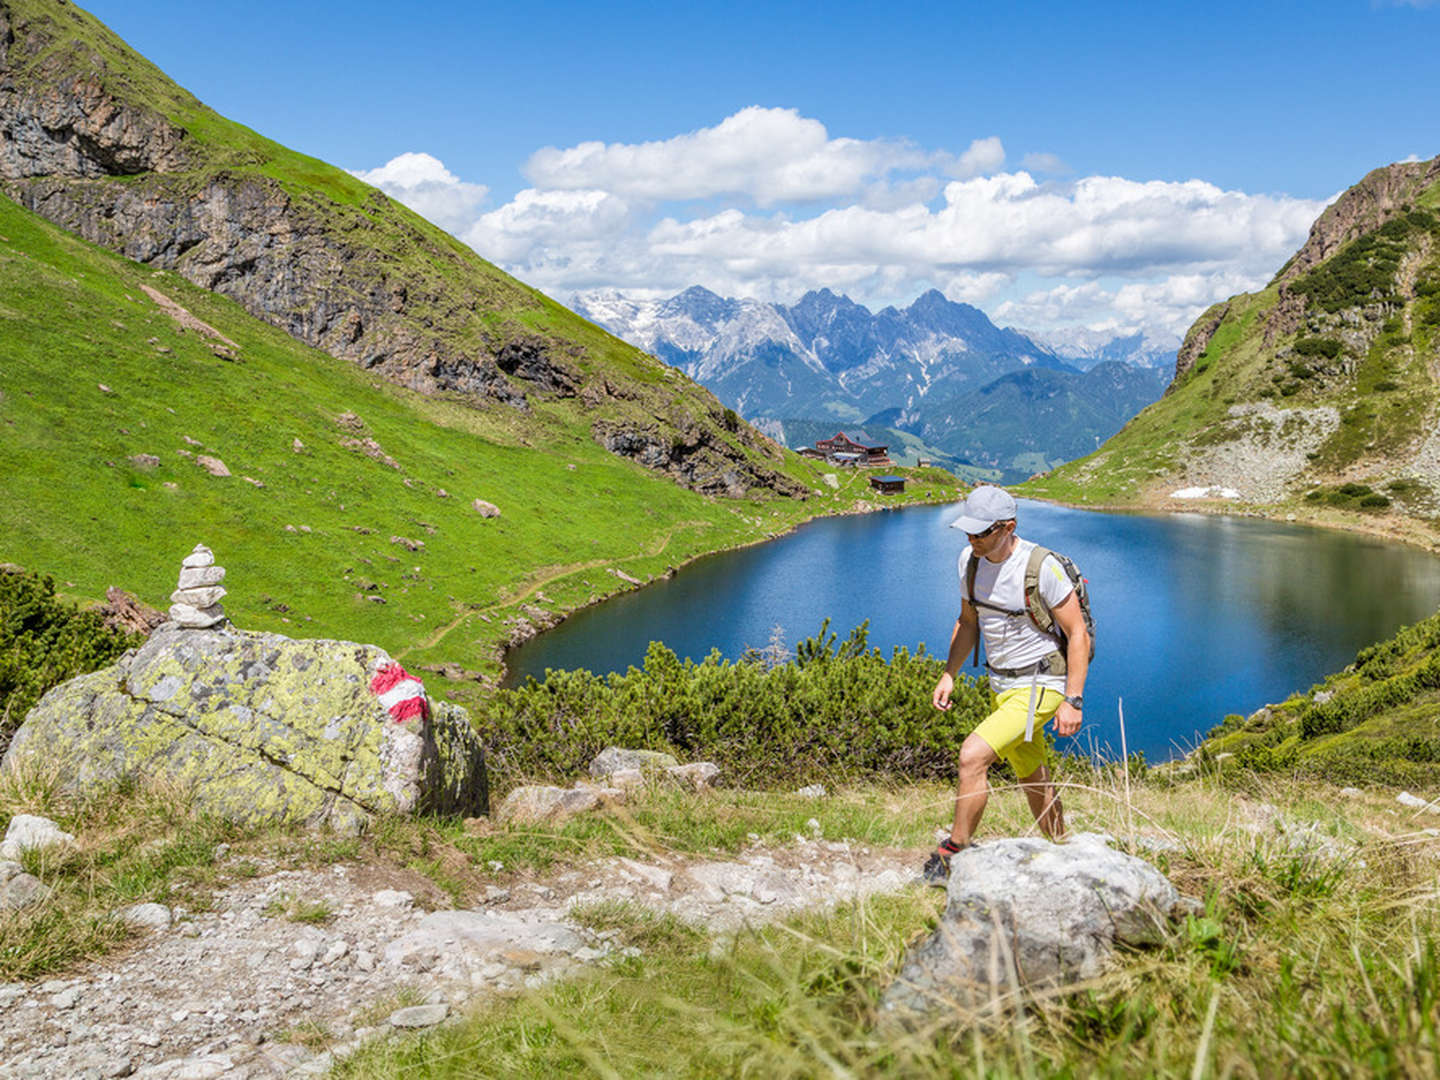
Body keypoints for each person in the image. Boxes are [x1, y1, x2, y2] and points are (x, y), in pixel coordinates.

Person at [924, 485, 1090, 886]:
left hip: (1043, 682)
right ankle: (1063, 848)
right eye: (968, 531)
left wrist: (1073, 700)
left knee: (972, 756)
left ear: (1008, 527)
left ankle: (955, 853)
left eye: (981, 533)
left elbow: (1078, 633)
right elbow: (968, 622)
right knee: (1031, 772)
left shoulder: (1041, 567)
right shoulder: (970, 561)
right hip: (1002, 684)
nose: (971, 539)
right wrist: (950, 673)